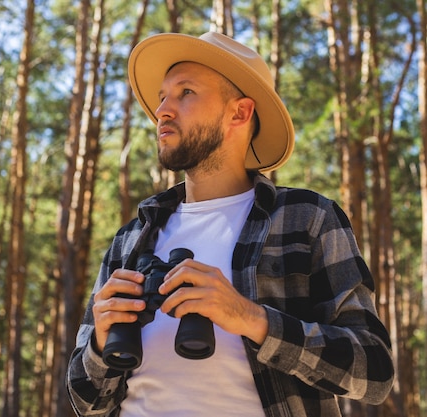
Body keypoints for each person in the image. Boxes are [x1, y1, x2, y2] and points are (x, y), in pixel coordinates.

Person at [66, 32, 394, 417]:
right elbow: (87, 404)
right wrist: (101, 346)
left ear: (239, 112)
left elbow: (374, 372)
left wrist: (249, 318)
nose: (163, 111)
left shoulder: (307, 218)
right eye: (161, 97)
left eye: (186, 92)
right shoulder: (131, 240)